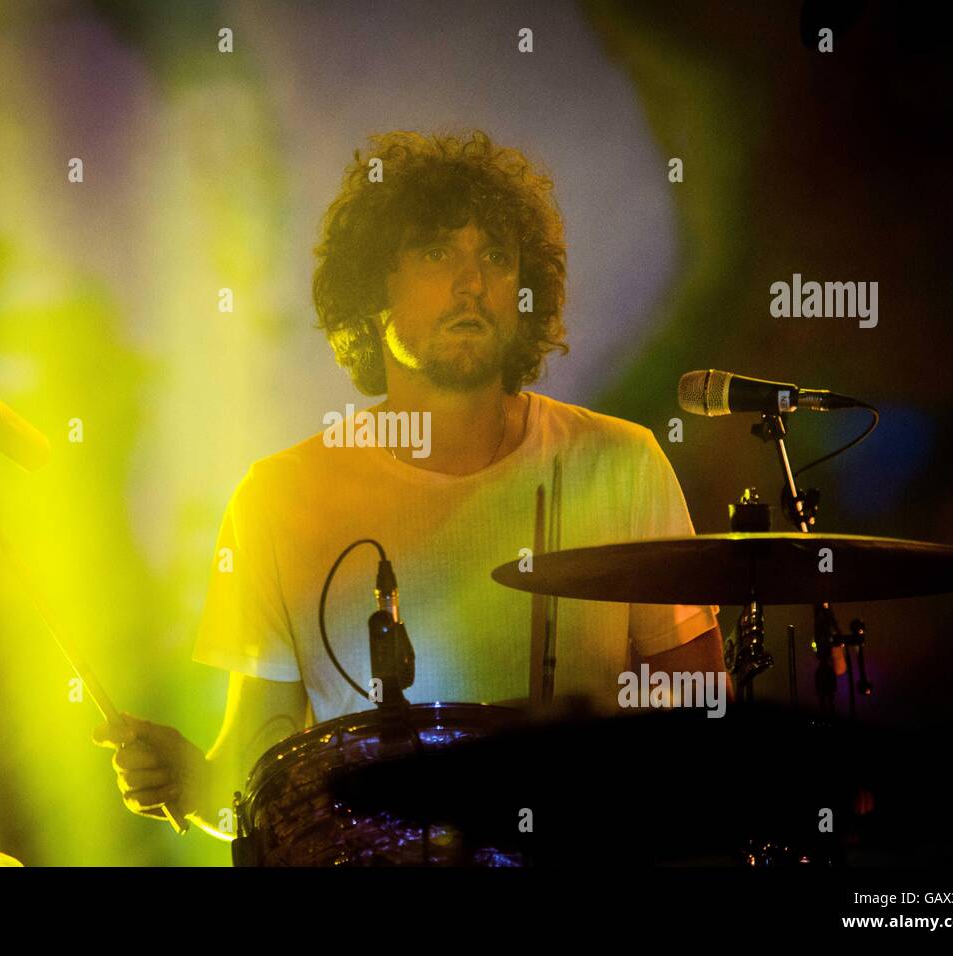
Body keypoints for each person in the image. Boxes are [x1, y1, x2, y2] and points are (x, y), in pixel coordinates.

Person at [94, 129, 726, 842]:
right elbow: (260, 786)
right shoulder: (277, 497)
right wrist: (193, 786)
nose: (472, 283)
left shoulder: (621, 463)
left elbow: (702, 722)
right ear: (370, 290)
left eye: (494, 255)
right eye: (435, 253)